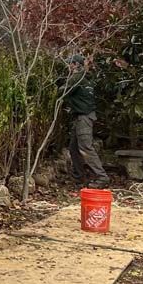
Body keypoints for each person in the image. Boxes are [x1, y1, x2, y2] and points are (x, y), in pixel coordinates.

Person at [62, 53, 108, 188]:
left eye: (70, 63)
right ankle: (79, 177)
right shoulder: (86, 78)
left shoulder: (77, 77)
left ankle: (102, 178)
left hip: (84, 117)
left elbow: (64, 91)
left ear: (76, 64)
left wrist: (57, 85)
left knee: (85, 148)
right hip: (82, 117)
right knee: (73, 148)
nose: (68, 66)